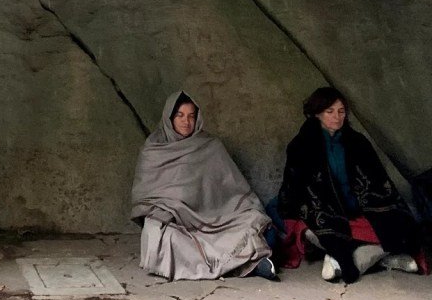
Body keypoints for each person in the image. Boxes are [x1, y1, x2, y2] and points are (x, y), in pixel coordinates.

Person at [277, 86, 426, 283]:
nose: (337, 117)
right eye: (330, 111)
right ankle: (379, 257)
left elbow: (378, 182)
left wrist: (373, 205)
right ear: (316, 113)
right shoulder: (301, 146)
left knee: (401, 225)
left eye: (341, 111)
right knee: (313, 231)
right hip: (323, 211)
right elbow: (297, 188)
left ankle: (339, 260)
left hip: (359, 211)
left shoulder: (358, 142)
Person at [131, 91, 277, 281]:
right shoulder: (153, 149)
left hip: (215, 219)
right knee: (154, 233)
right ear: (169, 118)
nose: (186, 122)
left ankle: (245, 263)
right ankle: (245, 264)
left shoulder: (210, 146)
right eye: (180, 115)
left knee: (256, 222)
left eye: (191, 116)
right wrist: (169, 211)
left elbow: (233, 189)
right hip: (177, 222)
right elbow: (148, 198)